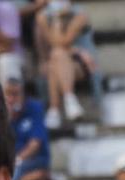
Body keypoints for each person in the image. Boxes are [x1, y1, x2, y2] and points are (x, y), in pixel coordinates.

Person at [35, 0, 91, 128]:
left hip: (80, 62)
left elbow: (62, 42)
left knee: (58, 54)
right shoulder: (43, 17)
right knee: (55, 58)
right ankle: (69, 98)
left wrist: (57, 20)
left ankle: (54, 109)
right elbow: (50, 45)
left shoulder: (79, 15)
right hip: (55, 62)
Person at [4, 76, 47, 180]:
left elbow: (35, 144)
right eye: (8, 94)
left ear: (23, 95)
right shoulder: (1, 113)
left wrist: (17, 160)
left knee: (14, 174)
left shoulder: (35, 108)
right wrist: (7, 119)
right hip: (11, 159)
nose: (11, 99)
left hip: (35, 159)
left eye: (15, 94)